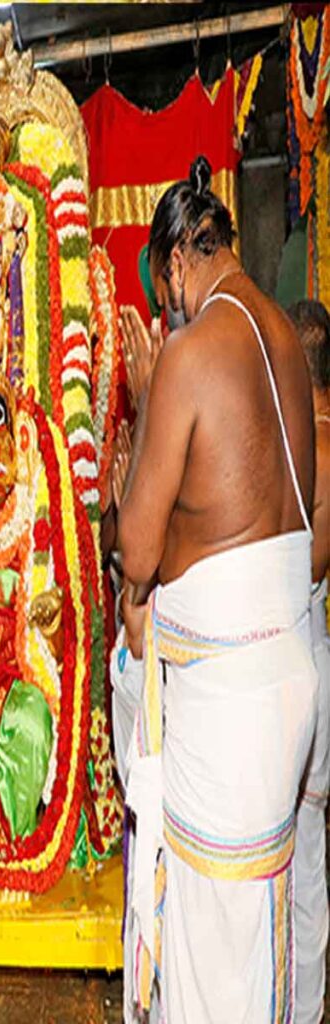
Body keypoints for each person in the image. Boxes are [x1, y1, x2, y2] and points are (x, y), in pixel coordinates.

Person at [117, 158, 317, 1023]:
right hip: (290, 679)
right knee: (256, 925)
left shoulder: (193, 351)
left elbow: (136, 548)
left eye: (166, 288)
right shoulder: (285, 337)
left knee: (205, 944)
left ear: (174, 264)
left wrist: (140, 400)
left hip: (226, 706)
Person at [288, 299, 330, 1024]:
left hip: (302, 655)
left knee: (304, 859)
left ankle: (305, 1003)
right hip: (300, 653)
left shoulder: (317, 445)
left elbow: (306, 566)